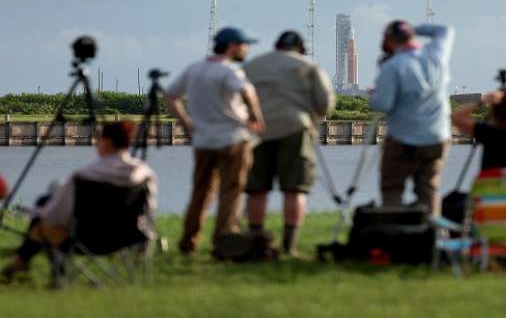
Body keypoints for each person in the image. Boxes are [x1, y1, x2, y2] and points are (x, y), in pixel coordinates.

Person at [1, 121, 158, 281]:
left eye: (98, 140)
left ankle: (44, 270)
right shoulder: (144, 174)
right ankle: (23, 262)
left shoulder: (85, 175)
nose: (96, 145)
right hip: (129, 238)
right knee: (44, 211)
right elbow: (149, 211)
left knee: (42, 214)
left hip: (85, 239)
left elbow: (55, 214)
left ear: (107, 142)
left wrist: (33, 212)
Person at [165, 27, 265, 255]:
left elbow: (170, 95)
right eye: (244, 45)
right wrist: (255, 117)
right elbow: (248, 93)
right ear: (232, 46)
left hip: (203, 141)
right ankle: (224, 239)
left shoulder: (193, 69)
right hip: (233, 139)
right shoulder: (229, 71)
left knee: (200, 192)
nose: (246, 49)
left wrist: (186, 122)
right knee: (232, 190)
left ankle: (189, 241)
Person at [241, 31, 335, 255]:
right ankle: (289, 245)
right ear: (301, 48)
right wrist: (314, 118)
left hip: (258, 132)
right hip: (295, 128)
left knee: (256, 189)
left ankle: (255, 241)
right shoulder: (308, 66)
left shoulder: (253, 65)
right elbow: (325, 103)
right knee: (295, 189)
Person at [369, 20, 455, 216]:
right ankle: (433, 236)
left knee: (392, 187)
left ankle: (394, 233)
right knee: (428, 189)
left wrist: (374, 95)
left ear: (389, 41)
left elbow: (383, 105)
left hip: (402, 139)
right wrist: (412, 29)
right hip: (437, 136)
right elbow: (445, 28)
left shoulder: (392, 66)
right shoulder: (436, 54)